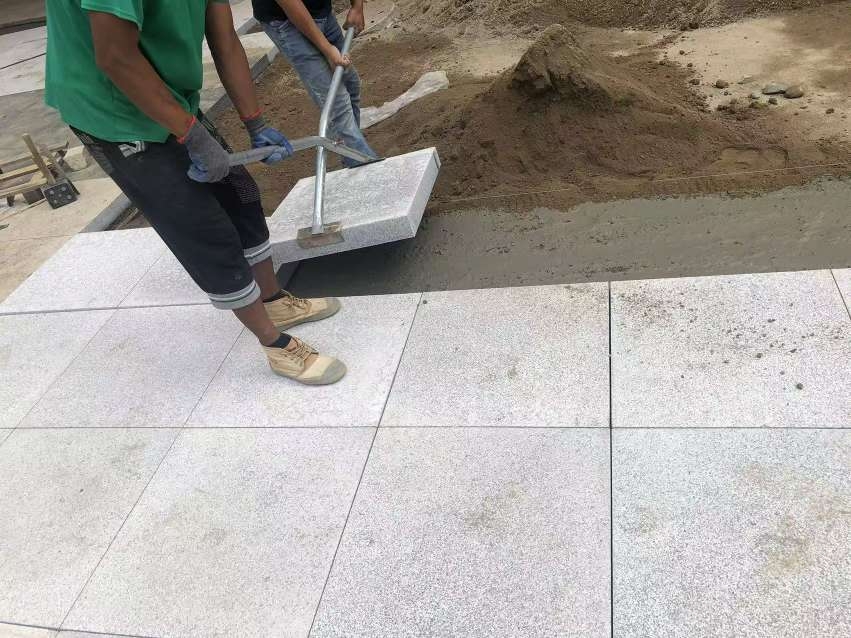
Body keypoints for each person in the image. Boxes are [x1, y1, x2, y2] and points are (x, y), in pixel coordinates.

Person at [44, 0, 346, 386]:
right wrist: (191, 134)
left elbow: (224, 39)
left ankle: (274, 302)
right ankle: (273, 342)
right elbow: (116, 57)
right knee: (201, 225)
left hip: (161, 88)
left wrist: (255, 123)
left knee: (240, 193)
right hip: (110, 107)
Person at [252, 0, 379, 167]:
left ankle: (351, 152)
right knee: (336, 103)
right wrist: (327, 50)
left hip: (321, 11)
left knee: (350, 84)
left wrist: (357, 6)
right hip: (287, 22)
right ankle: (363, 164)